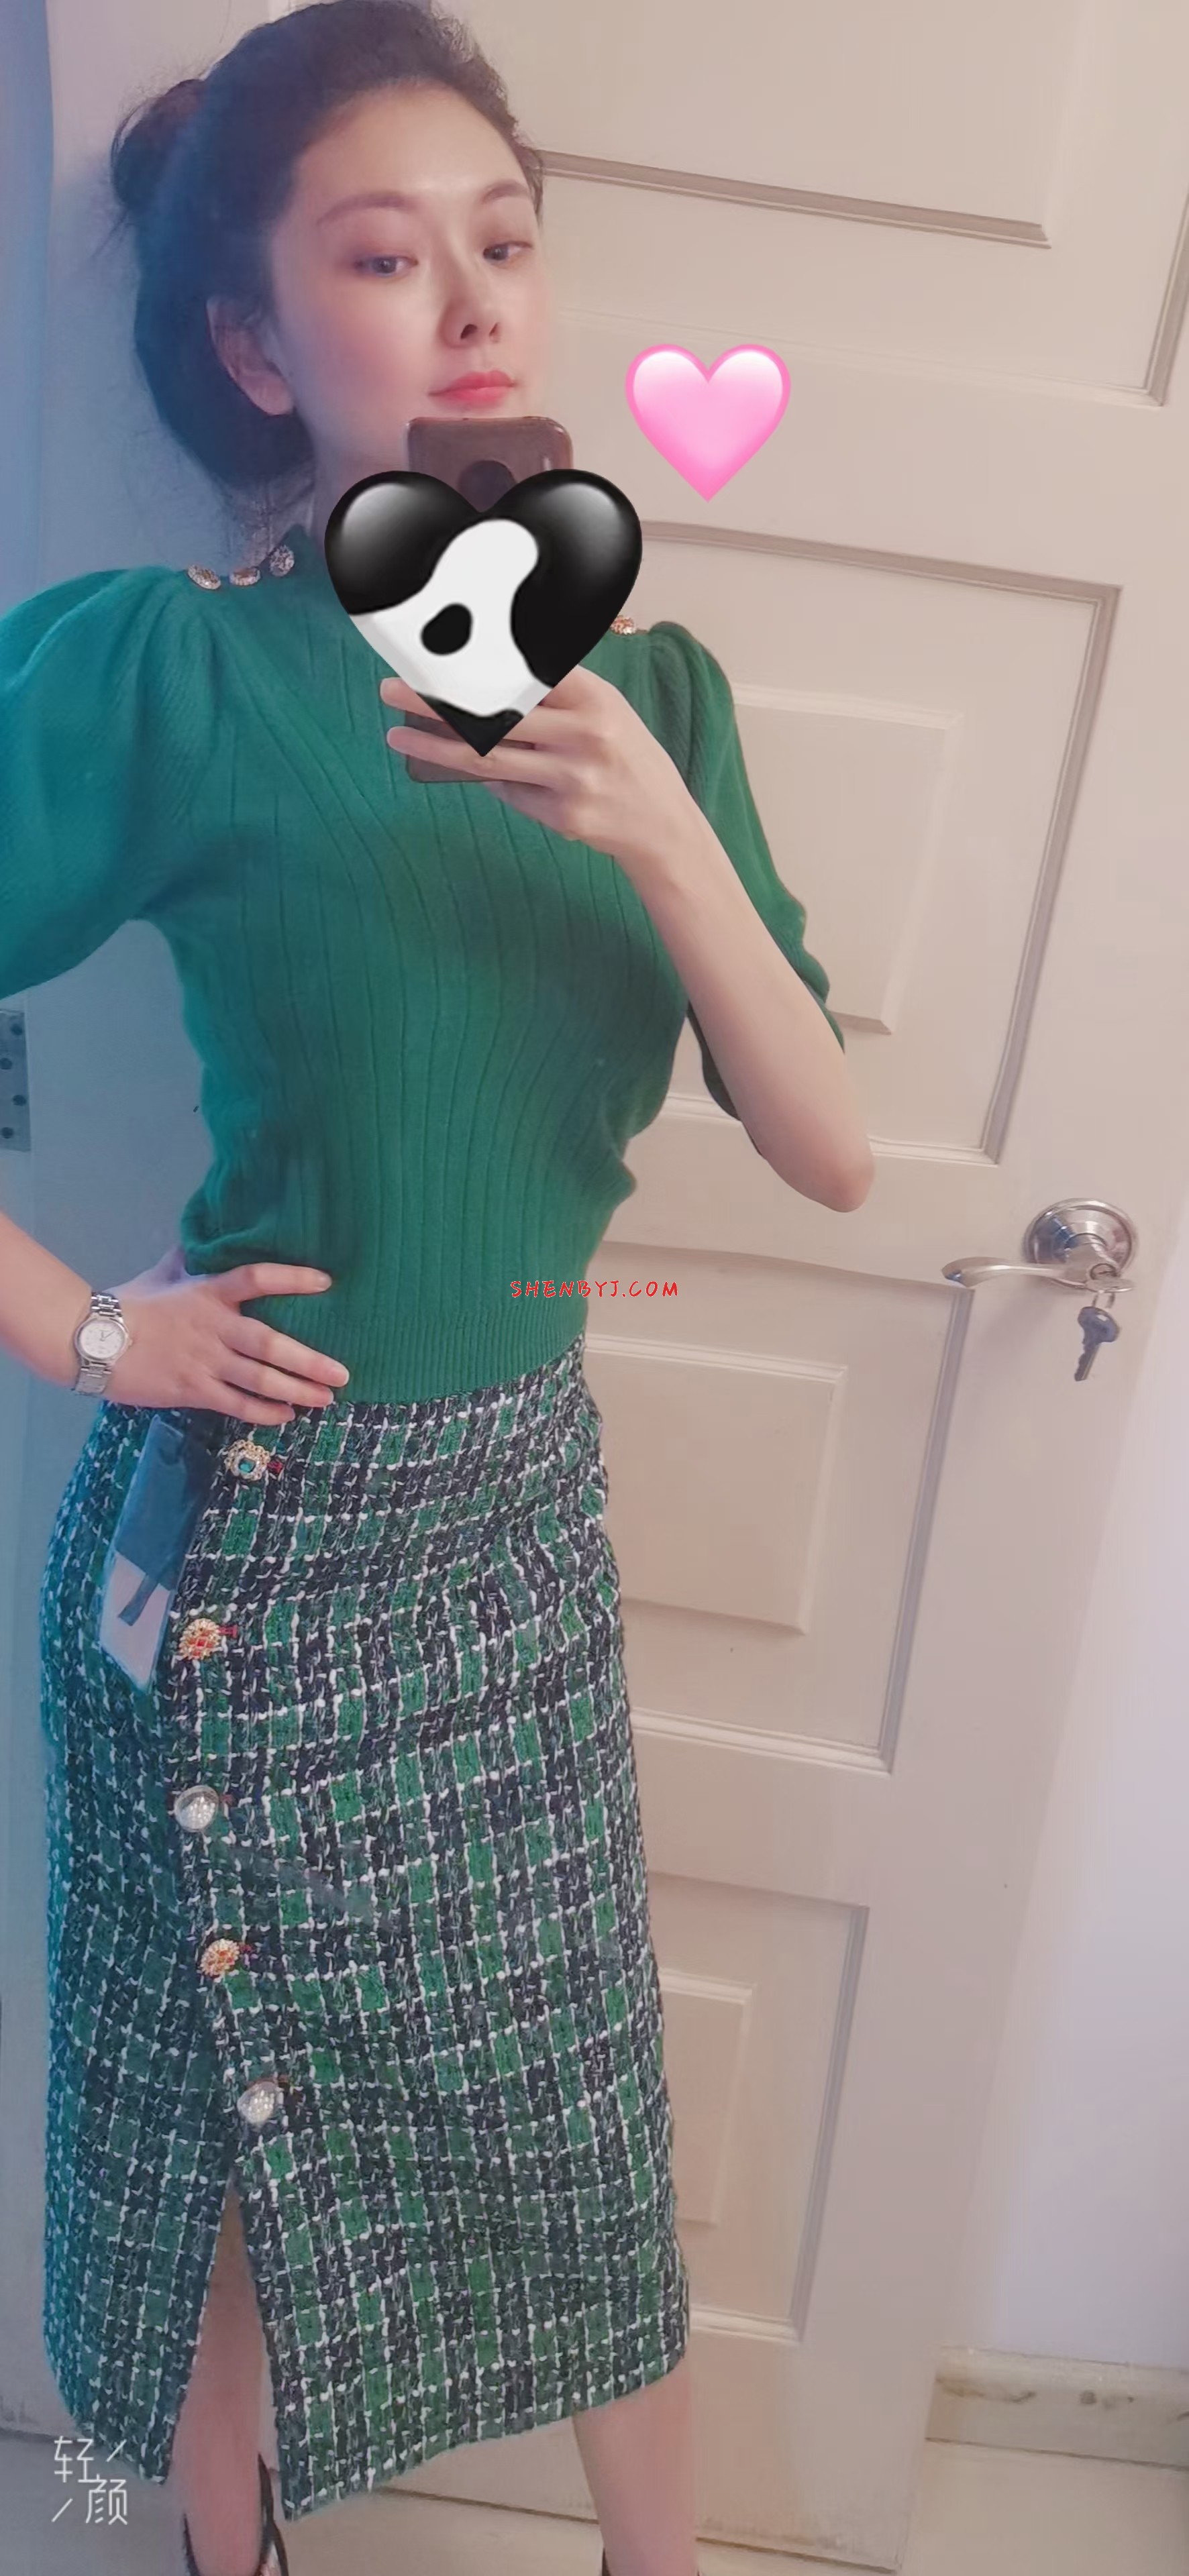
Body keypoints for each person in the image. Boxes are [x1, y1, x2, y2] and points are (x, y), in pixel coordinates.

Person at [0, 5, 872, 2573]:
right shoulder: (174, 668)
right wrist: (90, 1330)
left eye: (503, 239)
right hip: (257, 1523)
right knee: (227, 2111)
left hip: (507, 1521)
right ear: (262, 346)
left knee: (564, 2103)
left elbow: (826, 1152)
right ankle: (223, 2546)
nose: (474, 298)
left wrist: (656, 827)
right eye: (384, 256)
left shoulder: (655, 691)